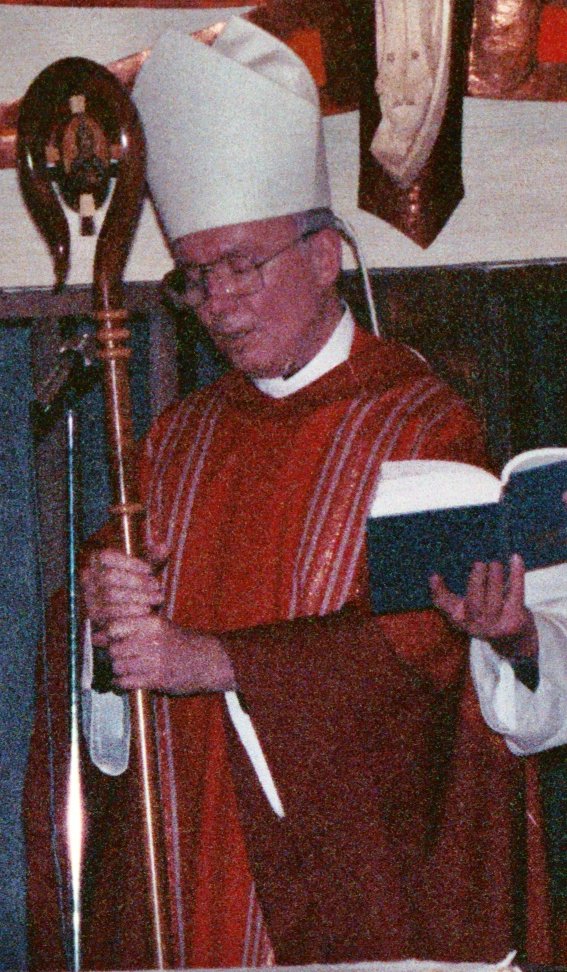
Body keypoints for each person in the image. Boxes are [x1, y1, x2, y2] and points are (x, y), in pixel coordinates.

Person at [24, 16, 553, 971]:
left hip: (354, 887)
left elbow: (412, 651)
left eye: (241, 266)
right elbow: (104, 661)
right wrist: (104, 616)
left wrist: (216, 661)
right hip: (186, 862)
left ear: (322, 256)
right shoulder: (175, 440)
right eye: (194, 279)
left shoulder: (417, 421)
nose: (218, 303)